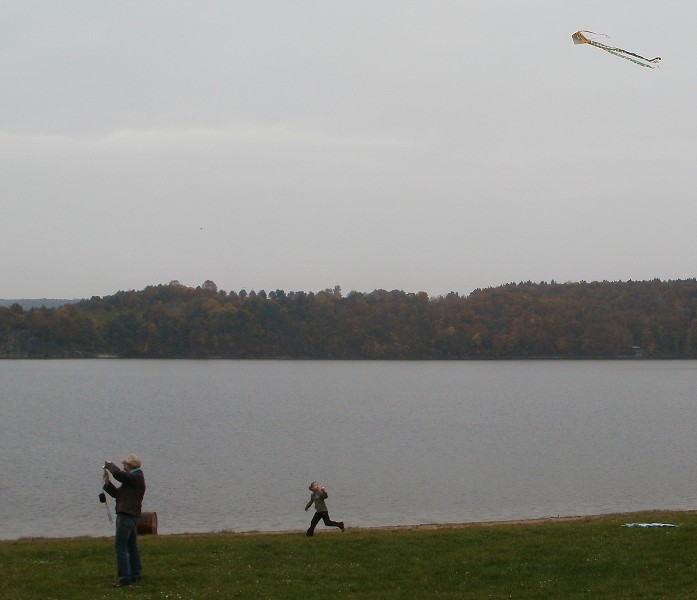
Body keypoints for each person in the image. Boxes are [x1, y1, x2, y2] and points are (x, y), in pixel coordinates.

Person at [103, 454, 146, 587]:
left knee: (120, 547)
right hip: (131, 516)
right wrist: (107, 484)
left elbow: (119, 474)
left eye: (125, 466)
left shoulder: (136, 476)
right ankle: (135, 575)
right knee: (132, 547)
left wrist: (110, 464)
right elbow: (117, 494)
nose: (123, 468)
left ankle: (124, 579)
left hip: (126, 516)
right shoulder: (132, 481)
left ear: (131, 466)